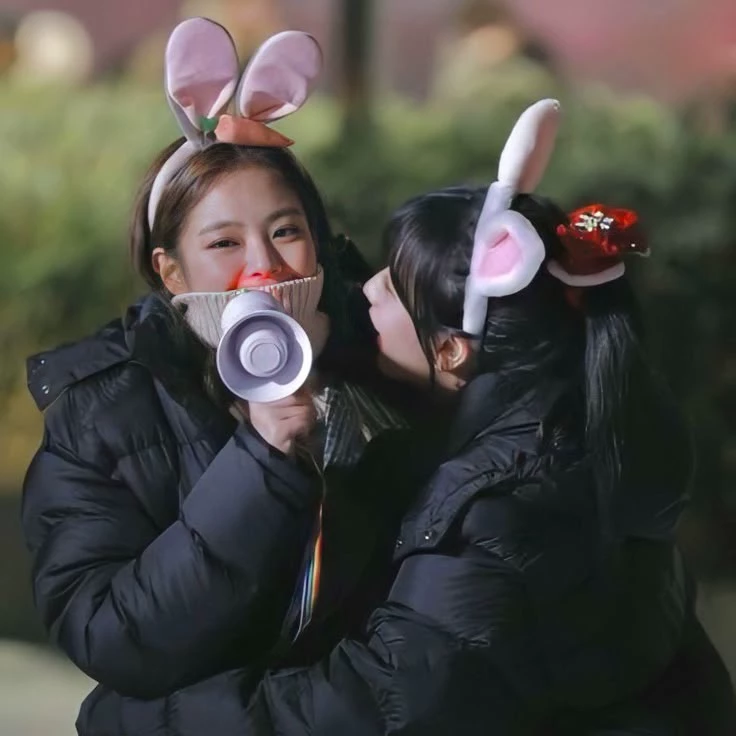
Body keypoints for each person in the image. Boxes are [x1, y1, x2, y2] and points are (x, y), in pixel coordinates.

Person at [240, 99, 736, 735]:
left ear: (452, 349)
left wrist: (165, 715)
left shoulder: (501, 511)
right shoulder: (588, 430)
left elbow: (378, 703)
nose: (369, 289)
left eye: (393, 285)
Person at [21, 19, 411, 736]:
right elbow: (110, 636)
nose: (263, 266)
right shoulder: (103, 408)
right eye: (224, 242)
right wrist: (263, 463)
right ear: (171, 270)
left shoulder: (386, 358)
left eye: (286, 231)